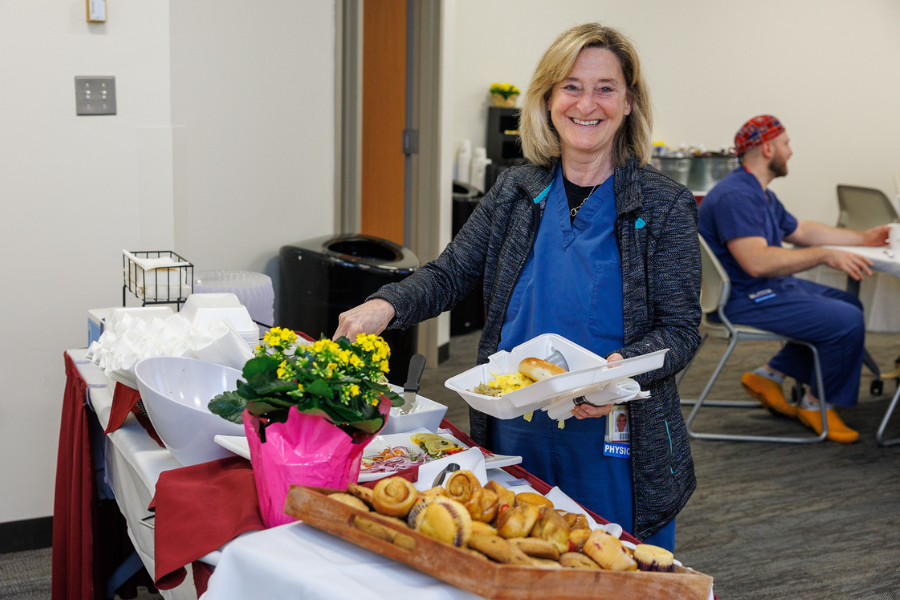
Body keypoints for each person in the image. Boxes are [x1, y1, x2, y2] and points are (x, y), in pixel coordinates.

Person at [334, 23, 701, 550]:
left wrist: (618, 375)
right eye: (571, 87)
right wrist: (384, 305)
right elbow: (451, 272)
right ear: (548, 98)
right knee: (515, 553)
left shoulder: (663, 205)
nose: (587, 104)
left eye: (605, 88)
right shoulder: (517, 189)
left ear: (628, 103)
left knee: (611, 566)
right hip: (516, 425)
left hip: (614, 439)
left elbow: (680, 329)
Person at [698, 115, 892, 443]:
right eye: (786, 144)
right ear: (768, 149)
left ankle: (769, 375)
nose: (791, 151)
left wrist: (863, 237)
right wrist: (824, 255)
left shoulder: (757, 192)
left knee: (847, 301)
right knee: (845, 320)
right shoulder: (737, 196)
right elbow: (756, 262)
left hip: (761, 290)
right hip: (742, 299)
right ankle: (815, 404)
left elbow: (800, 230)